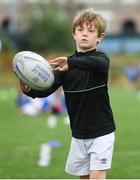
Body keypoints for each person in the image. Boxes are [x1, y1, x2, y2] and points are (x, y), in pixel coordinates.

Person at [19, 8, 116, 179]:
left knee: (97, 176)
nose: (85, 34)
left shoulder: (101, 59)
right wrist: (29, 89)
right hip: (78, 135)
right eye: (80, 30)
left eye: (91, 30)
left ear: (100, 37)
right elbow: (45, 90)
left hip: (102, 133)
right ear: (74, 34)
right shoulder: (65, 68)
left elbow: (96, 63)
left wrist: (70, 62)